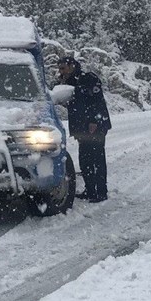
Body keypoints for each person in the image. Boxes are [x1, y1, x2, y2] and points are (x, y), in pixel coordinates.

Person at [57, 56, 111, 202]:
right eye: (59, 69)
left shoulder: (88, 78)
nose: (61, 71)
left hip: (96, 125)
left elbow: (97, 100)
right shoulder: (66, 83)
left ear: (72, 65)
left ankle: (101, 192)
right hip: (80, 126)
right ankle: (90, 190)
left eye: (63, 68)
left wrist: (94, 120)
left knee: (97, 159)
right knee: (85, 160)